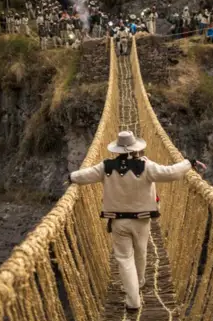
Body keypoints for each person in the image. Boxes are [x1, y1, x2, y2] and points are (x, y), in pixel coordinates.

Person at [67, 131, 206, 311]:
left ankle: (133, 301)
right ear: (136, 149)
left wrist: (71, 177)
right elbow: (170, 173)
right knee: (141, 252)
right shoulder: (146, 166)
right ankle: (139, 282)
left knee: (124, 258)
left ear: (117, 150)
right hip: (141, 220)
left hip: (118, 221)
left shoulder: (106, 166)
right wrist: (189, 162)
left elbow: (85, 175)